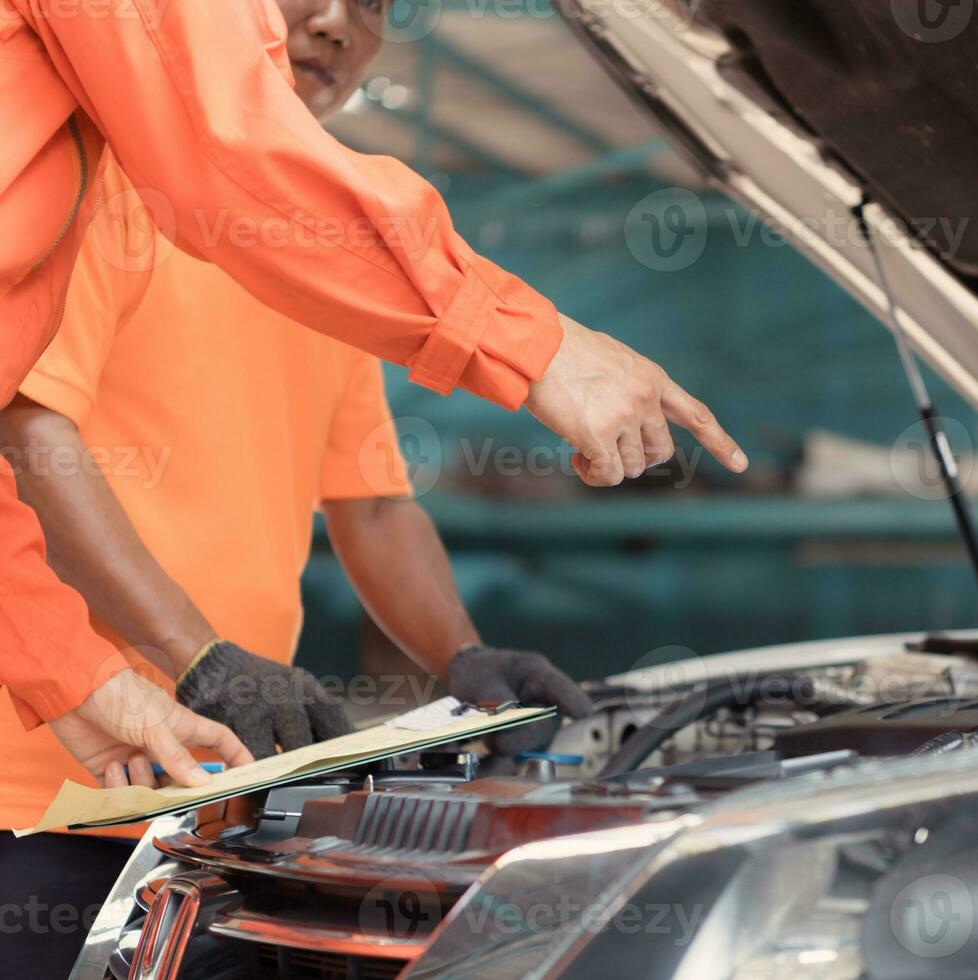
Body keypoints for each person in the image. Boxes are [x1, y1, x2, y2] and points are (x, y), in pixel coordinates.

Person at [0, 0, 748, 785]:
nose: (333, 22)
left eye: (371, 5)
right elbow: (31, 442)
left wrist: (463, 655)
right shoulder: (106, 184)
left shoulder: (345, 265)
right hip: (54, 778)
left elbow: (374, 504)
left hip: (218, 765)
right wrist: (202, 659)